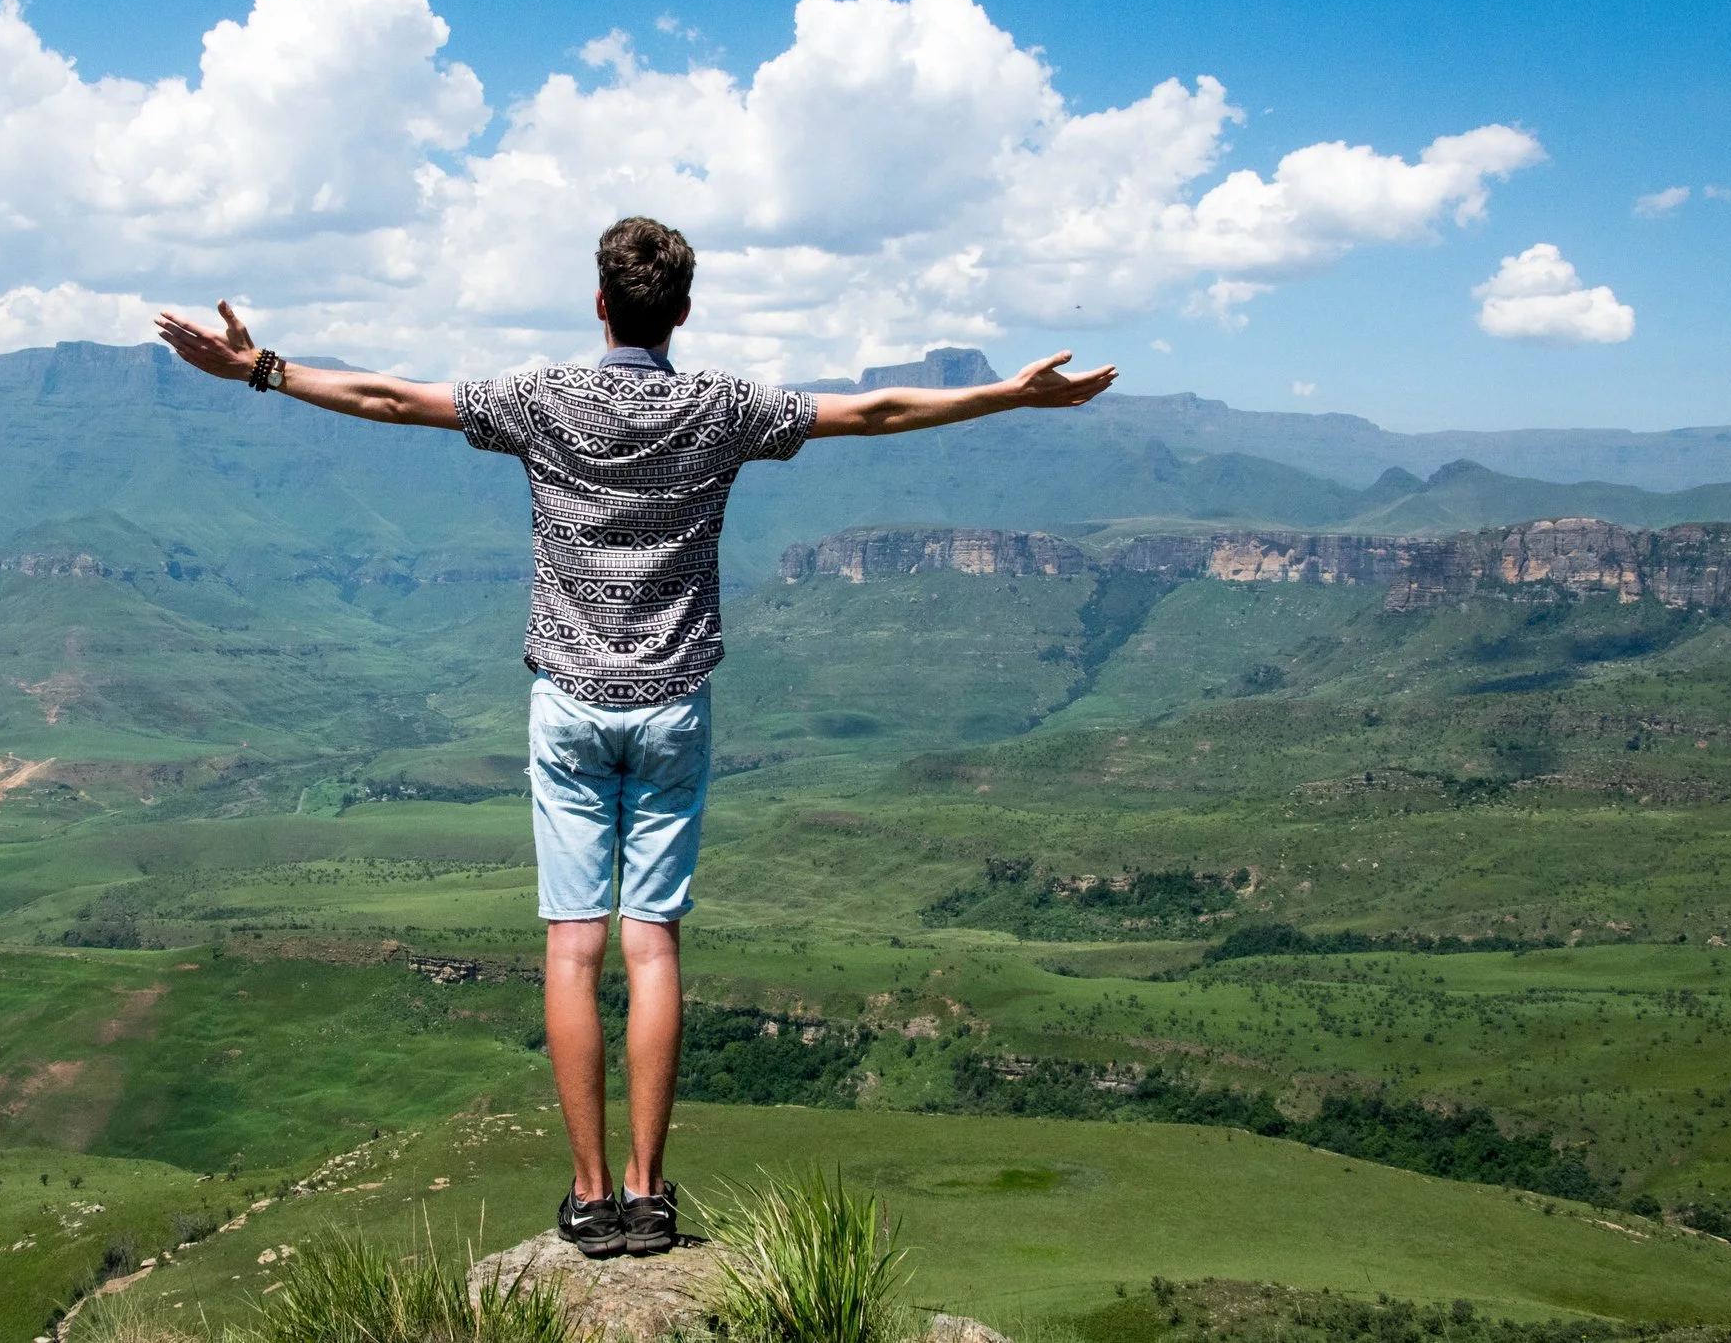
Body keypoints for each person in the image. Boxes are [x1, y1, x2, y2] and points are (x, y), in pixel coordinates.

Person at [154, 217, 1117, 1258]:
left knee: (573, 945)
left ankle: (588, 1196)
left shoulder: (541, 399)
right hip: (672, 706)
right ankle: (649, 1195)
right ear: (683, 312)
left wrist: (263, 368)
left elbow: (390, 399)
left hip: (568, 705)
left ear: (600, 304)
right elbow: (875, 410)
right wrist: (1011, 394)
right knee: (650, 941)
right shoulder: (723, 407)